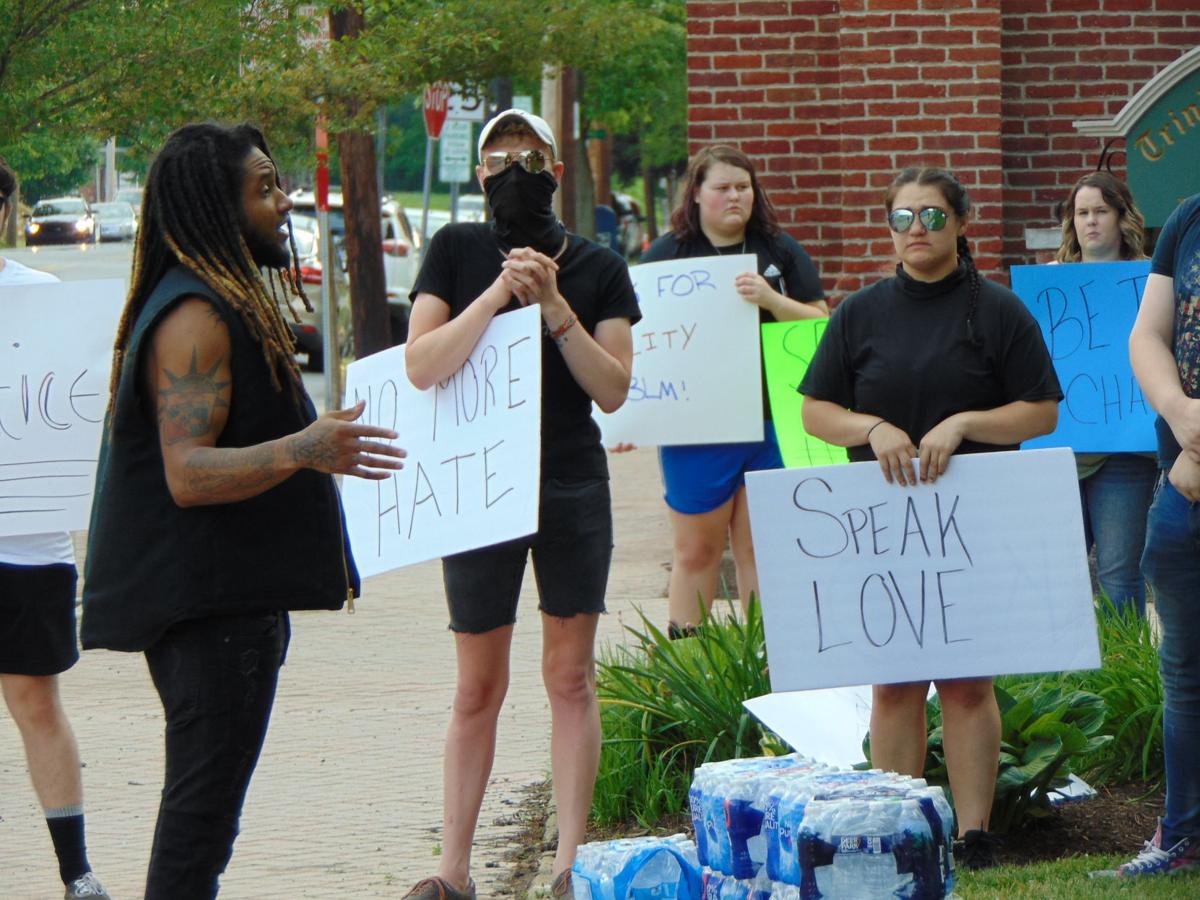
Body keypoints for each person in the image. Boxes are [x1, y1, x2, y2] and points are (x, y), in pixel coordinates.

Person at [79, 123, 405, 899]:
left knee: (204, 827)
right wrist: (304, 449)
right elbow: (186, 474)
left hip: (229, 607)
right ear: (216, 208)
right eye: (264, 188)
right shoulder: (195, 314)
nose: (283, 199)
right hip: (210, 617)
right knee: (197, 831)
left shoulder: (217, 296)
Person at [401, 108, 640, 900]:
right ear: (478, 174)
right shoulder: (455, 251)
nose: (513, 170)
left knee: (568, 677)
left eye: (529, 156)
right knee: (478, 683)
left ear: (555, 170)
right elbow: (421, 365)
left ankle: (571, 862)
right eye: (498, 157)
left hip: (569, 483)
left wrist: (554, 306)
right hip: (478, 490)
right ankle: (453, 870)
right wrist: (498, 296)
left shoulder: (600, 265)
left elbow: (612, 389)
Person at [799, 167, 1061, 869]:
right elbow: (814, 410)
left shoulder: (999, 311)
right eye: (903, 217)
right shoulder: (860, 312)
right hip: (884, 526)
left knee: (969, 680)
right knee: (894, 683)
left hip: (973, 522)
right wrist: (873, 428)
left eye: (933, 216)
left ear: (961, 223)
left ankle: (975, 834)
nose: (917, 230)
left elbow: (1042, 409)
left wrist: (967, 421)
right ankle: (902, 827)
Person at [639, 145, 827, 636]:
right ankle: (687, 669)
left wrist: (770, 299)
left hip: (771, 421)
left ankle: (766, 665)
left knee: (761, 549)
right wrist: (628, 418)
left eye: (743, 187)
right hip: (698, 427)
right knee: (696, 550)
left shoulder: (779, 250)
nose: (734, 197)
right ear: (696, 194)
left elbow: (821, 320)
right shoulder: (665, 255)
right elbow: (639, 341)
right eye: (722, 188)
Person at [0, 158, 111, 900]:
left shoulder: (42, 299)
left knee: (36, 699)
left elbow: (73, 415)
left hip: (26, 539)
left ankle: (77, 873)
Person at [1121, 190, 1200, 876]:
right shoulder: (1190, 216)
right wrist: (1181, 418)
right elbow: (1147, 334)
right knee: (1185, 674)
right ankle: (1183, 836)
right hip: (1185, 491)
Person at [1054, 171, 1156, 616]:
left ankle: (1121, 679)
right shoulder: (1050, 285)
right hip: (1061, 450)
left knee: (1118, 572)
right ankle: (1064, 677)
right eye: (1082, 213)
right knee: (1060, 570)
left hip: (1124, 450)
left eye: (1100, 211)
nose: (1091, 222)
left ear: (1121, 217)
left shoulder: (1151, 281)